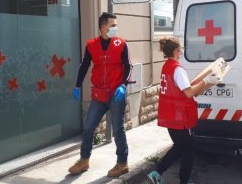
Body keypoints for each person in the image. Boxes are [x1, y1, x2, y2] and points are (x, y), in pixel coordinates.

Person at [147, 37, 223, 184]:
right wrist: (206, 81)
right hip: (181, 118)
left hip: (170, 116)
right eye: (180, 48)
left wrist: (208, 84)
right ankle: (157, 172)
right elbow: (189, 93)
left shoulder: (167, 66)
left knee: (185, 150)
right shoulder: (177, 69)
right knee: (183, 148)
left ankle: (182, 180)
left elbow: (191, 91)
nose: (182, 51)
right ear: (176, 50)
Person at [68, 12, 132, 177]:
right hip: (99, 94)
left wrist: (123, 86)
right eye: (113, 25)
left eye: (116, 25)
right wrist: (77, 86)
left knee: (118, 129)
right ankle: (84, 160)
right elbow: (84, 66)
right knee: (88, 127)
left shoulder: (121, 44)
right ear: (103, 27)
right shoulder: (91, 45)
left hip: (116, 94)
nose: (115, 28)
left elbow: (128, 67)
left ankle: (122, 162)